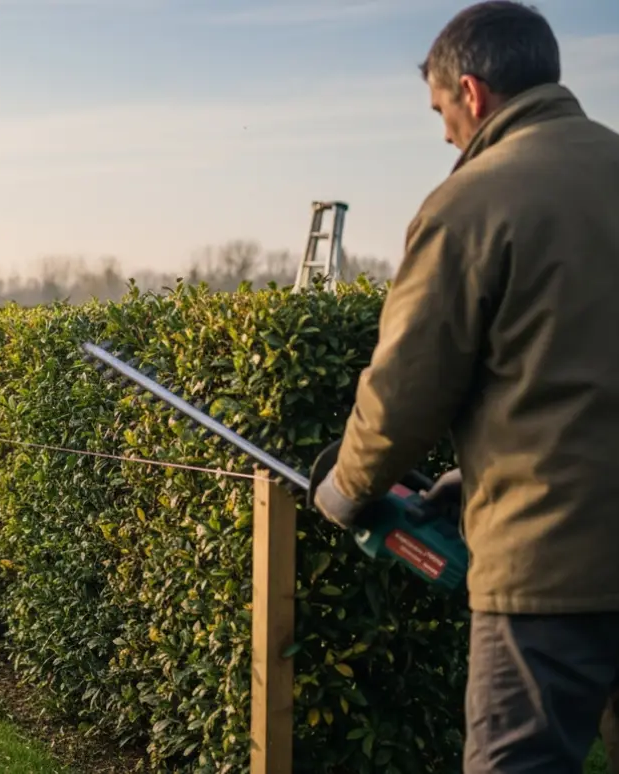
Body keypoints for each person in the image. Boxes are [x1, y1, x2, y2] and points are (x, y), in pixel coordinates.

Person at [309, 2, 619, 772]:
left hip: (549, 574)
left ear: (472, 95)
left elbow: (406, 388)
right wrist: (468, 475)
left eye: (442, 111)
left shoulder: (474, 199)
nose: (445, 131)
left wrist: (347, 489)